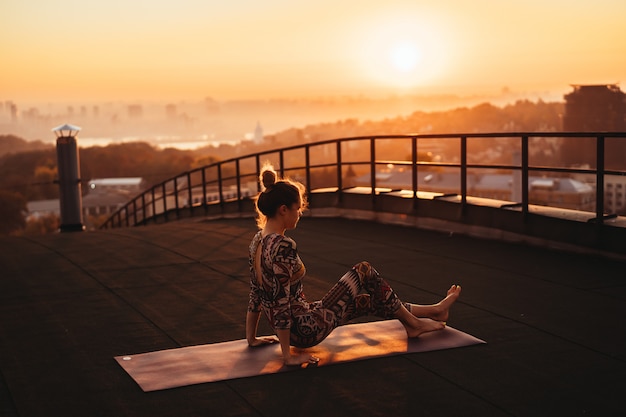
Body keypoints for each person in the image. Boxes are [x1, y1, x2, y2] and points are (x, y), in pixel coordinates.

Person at [246, 164, 461, 366]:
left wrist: (251, 338)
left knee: (365, 301)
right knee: (364, 270)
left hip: (298, 321)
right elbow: (281, 302)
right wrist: (287, 356)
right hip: (304, 328)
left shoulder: (257, 241)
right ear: (283, 209)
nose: (299, 214)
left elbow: (256, 294)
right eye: (297, 209)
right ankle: (414, 324)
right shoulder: (283, 246)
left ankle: (433, 311)